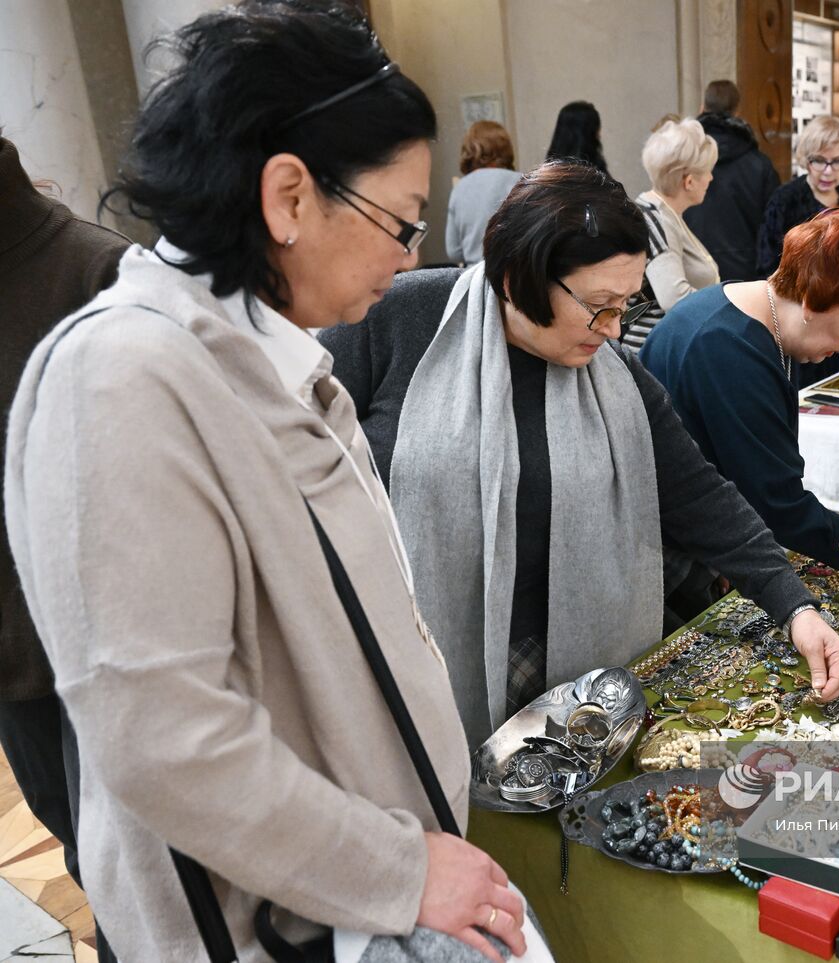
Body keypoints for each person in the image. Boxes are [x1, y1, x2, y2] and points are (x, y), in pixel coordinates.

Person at [4, 4, 532, 959]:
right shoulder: (121, 373)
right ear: (290, 196)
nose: (410, 256)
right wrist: (400, 867)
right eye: (398, 223)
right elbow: (167, 738)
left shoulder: (266, 355)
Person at [326, 161, 839, 749]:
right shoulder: (397, 318)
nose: (612, 328)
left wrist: (795, 607)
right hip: (404, 648)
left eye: (625, 305)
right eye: (598, 305)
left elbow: (699, 496)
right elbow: (304, 467)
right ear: (519, 279)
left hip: (559, 661)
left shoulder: (615, 374)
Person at [641, 209, 839, 575]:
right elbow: (782, 511)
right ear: (813, 301)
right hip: (669, 564)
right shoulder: (728, 351)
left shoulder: (761, 322)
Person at [0, 132, 130, 963]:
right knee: (85, 859)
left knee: (135, 876)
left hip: (110, 654)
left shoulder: (97, 273)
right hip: (12, 656)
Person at [626, 118, 720, 349]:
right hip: (656, 354)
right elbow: (673, 298)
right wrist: (728, 305)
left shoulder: (662, 213)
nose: (711, 178)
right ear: (688, 181)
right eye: (708, 171)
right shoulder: (657, 220)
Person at [684, 80, 780, 283]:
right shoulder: (759, 164)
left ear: (703, 107)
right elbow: (772, 227)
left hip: (691, 266)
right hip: (745, 273)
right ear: (738, 112)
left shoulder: (684, 160)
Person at [756, 114, 839, 277]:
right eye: (819, 160)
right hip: (794, 299)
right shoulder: (784, 200)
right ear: (807, 159)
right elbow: (767, 266)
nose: (828, 171)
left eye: (837, 161)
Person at [445, 120, 522, 267]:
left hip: (472, 279)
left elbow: (453, 251)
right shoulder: (520, 182)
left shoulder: (460, 188)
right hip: (513, 276)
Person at [545, 100, 607, 174]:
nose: (600, 133)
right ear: (592, 133)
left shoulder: (546, 177)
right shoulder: (597, 179)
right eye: (597, 128)